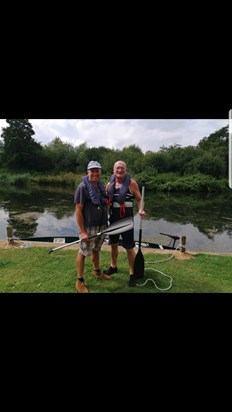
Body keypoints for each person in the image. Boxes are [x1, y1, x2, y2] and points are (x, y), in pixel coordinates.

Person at [103, 160, 145, 287]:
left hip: (127, 222)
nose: (120, 170)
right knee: (113, 245)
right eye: (117, 168)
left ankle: (132, 274)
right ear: (113, 170)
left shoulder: (132, 184)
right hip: (113, 221)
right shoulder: (109, 185)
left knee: (129, 248)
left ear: (125, 170)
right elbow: (106, 204)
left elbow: (139, 199)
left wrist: (141, 209)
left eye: (122, 168)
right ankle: (113, 266)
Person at [74, 160, 111, 293]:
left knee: (96, 250)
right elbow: (78, 210)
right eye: (92, 171)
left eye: (97, 170)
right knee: (83, 252)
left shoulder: (100, 186)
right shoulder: (82, 187)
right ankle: (79, 281)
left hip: (102, 225)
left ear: (100, 172)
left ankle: (96, 272)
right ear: (87, 172)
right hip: (88, 227)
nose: (95, 173)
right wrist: (83, 231)